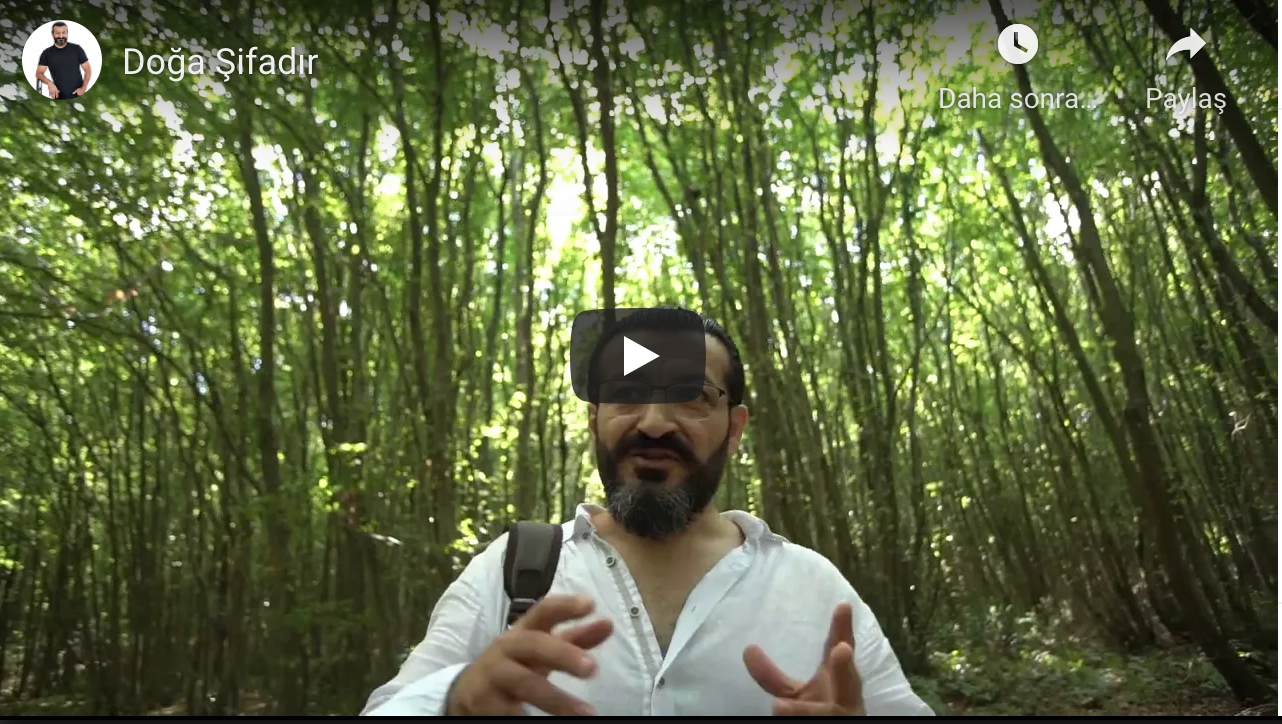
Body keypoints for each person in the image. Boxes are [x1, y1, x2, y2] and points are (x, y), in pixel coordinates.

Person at [361, 308, 934, 716]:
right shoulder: (514, 571)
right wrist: (455, 700)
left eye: (692, 397)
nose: (655, 423)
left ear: (734, 429)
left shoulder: (814, 589)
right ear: (595, 421)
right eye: (627, 394)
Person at [35, 22, 92, 100]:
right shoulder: (46, 53)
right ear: (52, 34)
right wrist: (49, 83)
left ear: (67, 33)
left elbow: (88, 70)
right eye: (57, 33)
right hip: (58, 96)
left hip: (78, 95)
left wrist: (84, 88)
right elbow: (39, 73)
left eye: (64, 33)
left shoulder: (77, 49)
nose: (61, 36)